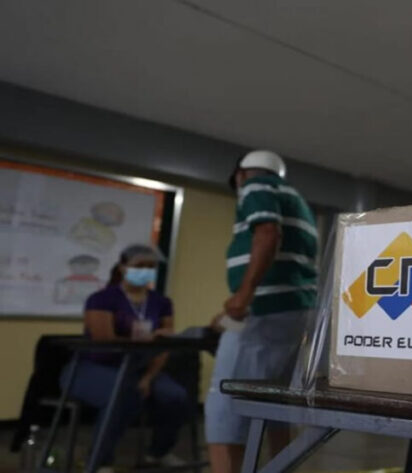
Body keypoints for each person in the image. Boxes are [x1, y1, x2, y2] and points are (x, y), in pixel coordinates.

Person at [205, 150, 318, 473]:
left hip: (262, 310)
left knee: (225, 403)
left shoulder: (256, 186)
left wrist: (243, 297)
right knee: (276, 403)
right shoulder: (298, 201)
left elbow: (268, 232)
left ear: (241, 174)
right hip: (295, 313)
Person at [60, 244, 187, 471]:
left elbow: (164, 344)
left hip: (139, 368)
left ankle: (158, 452)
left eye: (151, 267)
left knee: (175, 396)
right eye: (140, 266)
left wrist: (148, 377)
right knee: (123, 394)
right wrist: (147, 339)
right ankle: (100, 460)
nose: (145, 271)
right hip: (92, 368)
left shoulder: (162, 302)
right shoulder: (101, 298)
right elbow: (104, 340)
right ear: (122, 267)